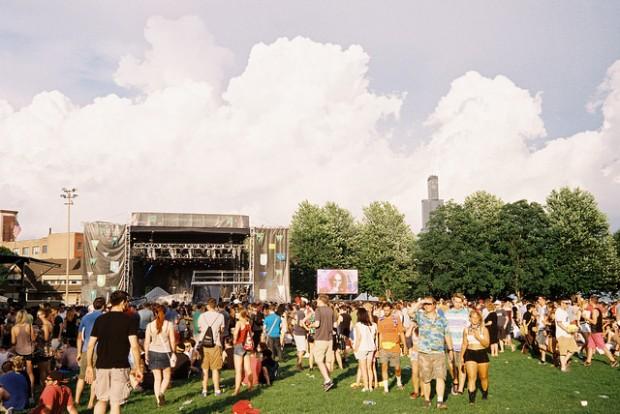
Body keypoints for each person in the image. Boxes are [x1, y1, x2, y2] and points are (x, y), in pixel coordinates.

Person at [85, 290, 143, 414]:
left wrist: (90, 366)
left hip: (102, 365)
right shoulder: (129, 320)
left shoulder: (100, 319)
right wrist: (138, 367)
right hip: (120, 366)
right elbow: (134, 346)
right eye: (127, 302)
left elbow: (90, 346)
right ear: (122, 302)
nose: (127, 304)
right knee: (115, 403)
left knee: (101, 400)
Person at [415, 297, 454, 410]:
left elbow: (447, 335)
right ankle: (427, 400)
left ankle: (440, 401)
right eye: (425, 304)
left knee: (440, 377)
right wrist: (420, 302)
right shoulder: (420, 317)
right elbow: (410, 312)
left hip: (439, 352)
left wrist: (450, 350)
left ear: (434, 305)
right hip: (424, 353)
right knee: (426, 378)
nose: (426, 306)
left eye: (429, 304)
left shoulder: (442, 320)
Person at [75, 297, 105, 409]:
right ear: (103, 306)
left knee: (81, 377)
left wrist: (78, 352)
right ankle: (91, 403)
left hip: (86, 349)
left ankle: (77, 401)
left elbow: (79, 337)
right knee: (95, 378)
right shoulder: (104, 317)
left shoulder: (85, 318)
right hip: (99, 350)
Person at [144, 304, 176, 407]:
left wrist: (146, 354)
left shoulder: (149, 326)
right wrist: (174, 352)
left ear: (154, 313)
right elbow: (172, 340)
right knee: (166, 376)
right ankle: (161, 393)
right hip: (165, 352)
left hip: (153, 352)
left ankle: (158, 401)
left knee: (157, 379)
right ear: (165, 313)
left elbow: (147, 342)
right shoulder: (169, 325)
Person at [460, 310, 490, 404]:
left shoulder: (484, 329)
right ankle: (471, 400)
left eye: (477, 318)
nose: (475, 319)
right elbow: (464, 344)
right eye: (473, 317)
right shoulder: (466, 330)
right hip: (470, 353)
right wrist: (461, 357)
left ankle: (485, 392)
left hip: (482, 354)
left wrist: (478, 337)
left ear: (480, 319)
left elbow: (487, 345)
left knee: (483, 377)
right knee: (471, 377)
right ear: (469, 318)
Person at [376, 302, 407, 393]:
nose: (386, 312)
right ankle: (386, 388)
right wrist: (379, 347)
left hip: (395, 346)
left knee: (397, 368)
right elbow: (380, 334)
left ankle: (398, 382)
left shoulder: (396, 319)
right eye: (384, 310)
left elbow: (401, 333)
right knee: (384, 367)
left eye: (388, 310)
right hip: (384, 348)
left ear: (391, 310)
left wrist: (404, 346)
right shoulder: (380, 320)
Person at [197, 298, 225, 397]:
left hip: (203, 344)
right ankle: (217, 390)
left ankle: (204, 390)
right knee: (215, 369)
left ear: (208, 306)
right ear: (215, 305)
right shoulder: (220, 316)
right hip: (215, 344)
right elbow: (222, 330)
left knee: (204, 369)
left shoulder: (202, 316)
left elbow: (199, 329)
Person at [583, 296, 618, 367]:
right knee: (590, 345)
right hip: (594, 331)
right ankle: (588, 361)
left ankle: (613, 361)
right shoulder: (598, 309)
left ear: (591, 301)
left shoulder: (594, 310)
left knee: (602, 346)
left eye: (589, 300)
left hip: (596, 332)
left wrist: (586, 318)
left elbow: (594, 322)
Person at [311, 295, 337, 391]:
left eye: (317, 299)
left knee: (318, 360)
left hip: (320, 338)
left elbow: (317, 324)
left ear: (321, 301)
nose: (316, 301)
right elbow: (335, 325)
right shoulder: (331, 310)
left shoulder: (318, 310)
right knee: (327, 361)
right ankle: (328, 381)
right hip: (330, 338)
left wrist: (311, 325)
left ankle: (327, 380)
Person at [445, 293, 469, 395]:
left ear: (462, 302)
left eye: (460, 302)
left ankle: (460, 387)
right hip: (450, 344)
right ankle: (455, 380)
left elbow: (468, 329)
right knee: (451, 365)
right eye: (456, 301)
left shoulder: (467, 313)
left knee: (462, 365)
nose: (458, 304)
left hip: (463, 344)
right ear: (452, 301)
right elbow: (445, 329)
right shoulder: (447, 313)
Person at [10, 309, 35, 393]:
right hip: (29, 351)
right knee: (30, 372)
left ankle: (18, 390)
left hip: (18, 351)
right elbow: (33, 339)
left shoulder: (14, 328)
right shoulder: (29, 326)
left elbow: (13, 342)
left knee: (18, 371)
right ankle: (31, 392)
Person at [353, 307, 377, 393]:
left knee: (363, 369)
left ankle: (366, 387)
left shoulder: (358, 325)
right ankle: (370, 387)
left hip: (362, 348)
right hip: (371, 347)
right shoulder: (368, 325)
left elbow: (359, 338)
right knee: (369, 368)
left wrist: (355, 348)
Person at [232, 310, 253, 395]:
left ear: (240, 314)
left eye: (237, 313)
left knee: (238, 370)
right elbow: (251, 335)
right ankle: (250, 386)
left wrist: (234, 339)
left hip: (239, 345)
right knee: (248, 368)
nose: (236, 314)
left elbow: (236, 333)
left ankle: (237, 390)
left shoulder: (239, 323)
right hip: (247, 346)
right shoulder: (248, 323)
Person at [555, 299, 579, 372]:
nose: (568, 305)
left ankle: (563, 362)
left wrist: (572, 330)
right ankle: (563, 367)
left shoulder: (565, 312)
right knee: (563, 351)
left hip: (568, 334)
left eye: (568, 303)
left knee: (573, 349)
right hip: (562, 334)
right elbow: (559, 323)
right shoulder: (558, 311)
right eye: (566, 303)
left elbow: (567, 323)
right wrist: (566, 330)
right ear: (562, 303)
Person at [291, 304, 308, 371]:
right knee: (302, 350)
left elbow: (293, 322)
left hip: (296, 331)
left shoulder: (297, 312)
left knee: (299, 349)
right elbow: (301, 323)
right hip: (300, 332)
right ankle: (299, 364)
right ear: (305, 306)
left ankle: (298, 363)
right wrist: (307, 328)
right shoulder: (302, 313)